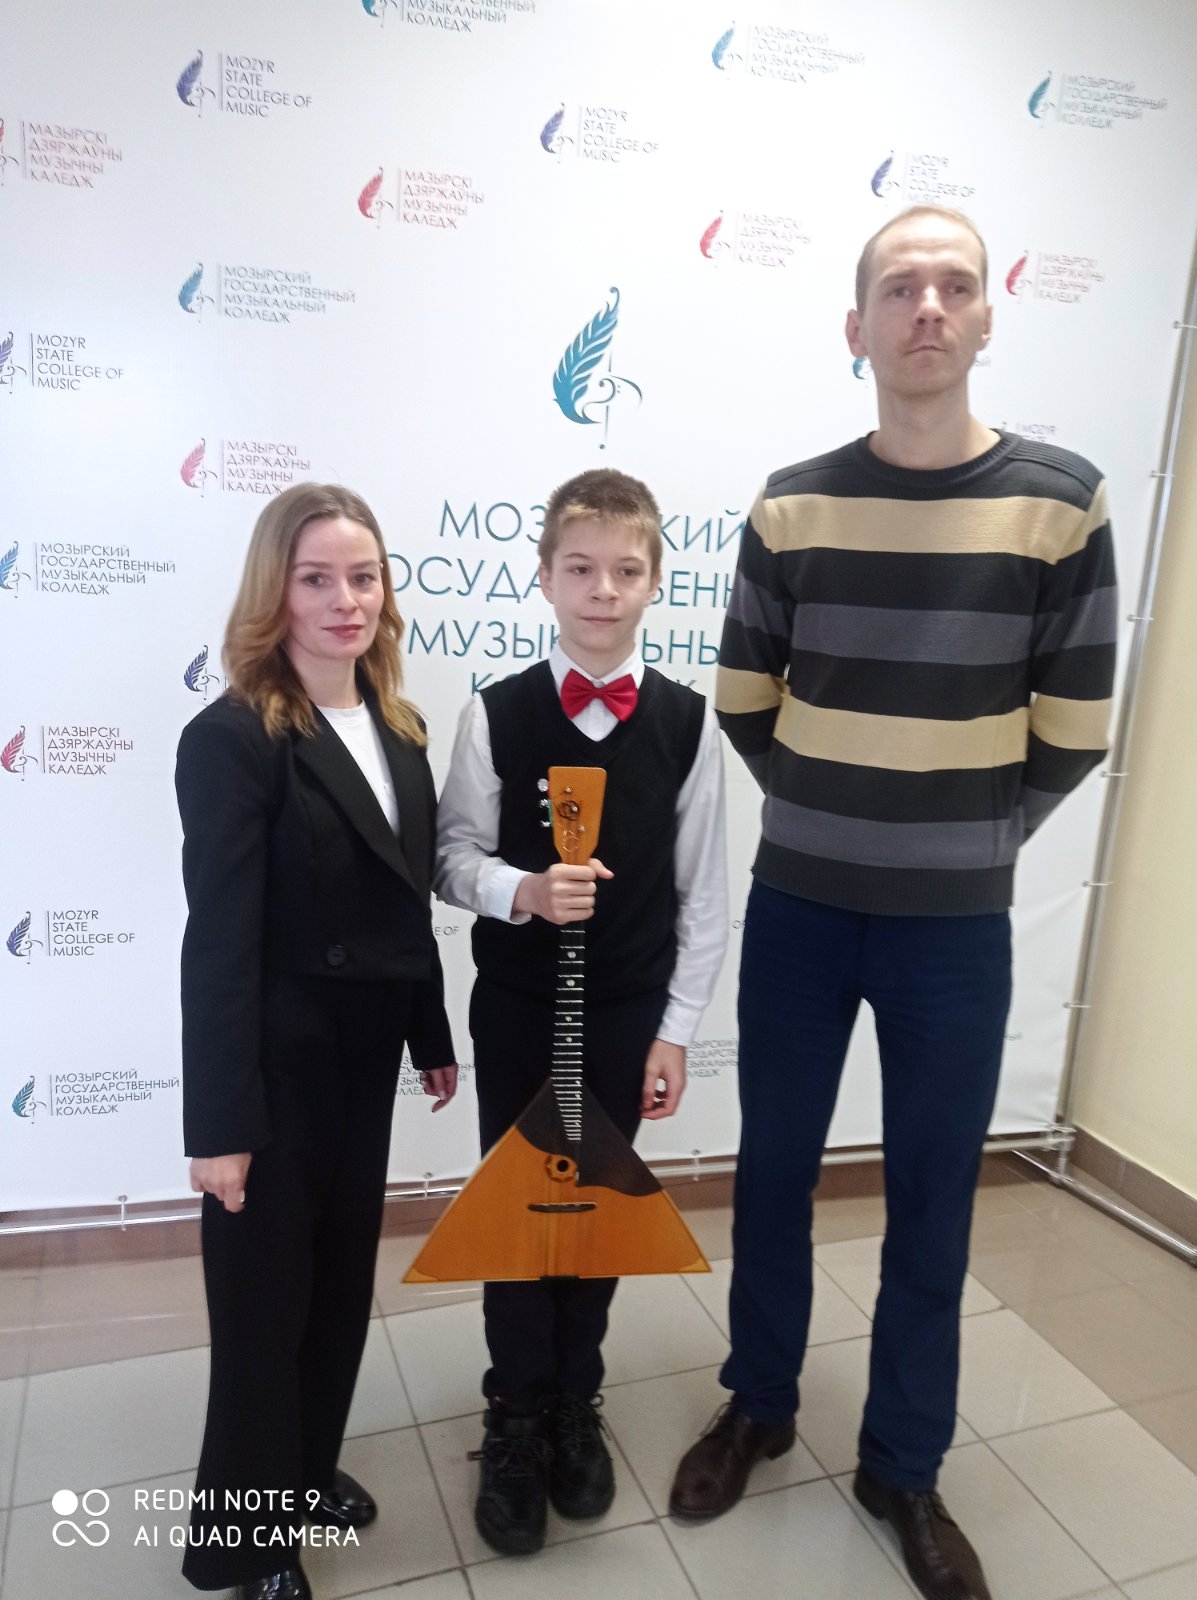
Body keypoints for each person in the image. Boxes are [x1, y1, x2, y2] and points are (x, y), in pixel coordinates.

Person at [668, 206, 1116, 1600]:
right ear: (854, 327)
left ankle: (903, 1465)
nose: (928, 306)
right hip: (802, 909)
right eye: (899, 287)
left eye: (954, 286)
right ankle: (759, 1403)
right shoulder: (791, 504)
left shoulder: (1061, 501)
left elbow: (1076, 722)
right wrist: (836, 810)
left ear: (986, 318)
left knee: (932, 1198)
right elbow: (746, 702)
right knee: (774, 1174)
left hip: (952, 932)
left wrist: (963, 834)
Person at [435, 467, 728, 1555]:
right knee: (520, 1216)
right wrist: (520, 889)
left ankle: (574, 1401)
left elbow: (706, 896)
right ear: (545, 577)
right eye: (581, 568)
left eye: (626, 570)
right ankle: (514, 1410)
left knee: (595, 1213)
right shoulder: (495, 711)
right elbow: (451, 856)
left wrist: (676, 1031)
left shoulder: (688, 725)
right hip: (519, 1010)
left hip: (623, 1016)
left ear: (655, 582)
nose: (603, 590)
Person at [176, 483, 457, 1600]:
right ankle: (246, 1542)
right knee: (263, 1312)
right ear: (275, 591)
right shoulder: (232, 738)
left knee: (339, 1287)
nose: (346, 599)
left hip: (364, 1056)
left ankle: (299, 1474)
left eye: (363, 576)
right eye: (317, 578)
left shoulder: (399, 728)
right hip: (276, 1069)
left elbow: (403, 902)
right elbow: (218, 943)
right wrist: (220, 1125)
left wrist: (430, 1030)